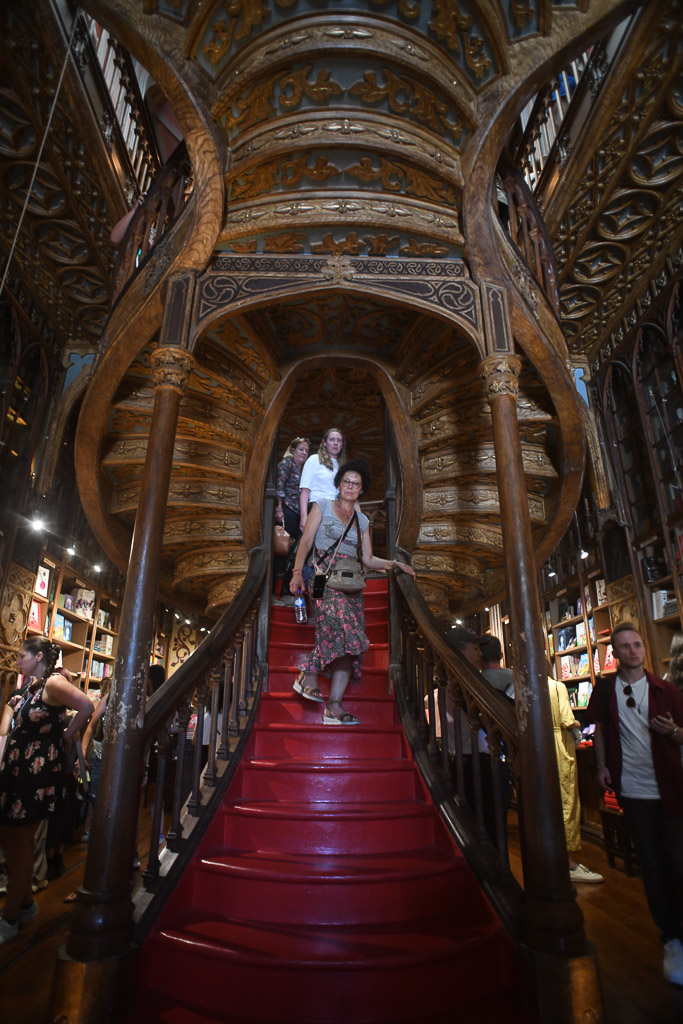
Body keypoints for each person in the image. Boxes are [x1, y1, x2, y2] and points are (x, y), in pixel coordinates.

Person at [588, 621, 683, 986]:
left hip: (672, 788)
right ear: (615, 654)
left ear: (644, 649)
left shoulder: (666, 690)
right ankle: (671, 937)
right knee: (653, 865)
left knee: (679, 860)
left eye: (637, 645)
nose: (632, 651)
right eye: (625, 646)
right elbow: (599, 729)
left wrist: (672, 731)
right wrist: (600, 766)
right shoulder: (606, 690)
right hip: (634, 789)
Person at [290, 459, 414, 724]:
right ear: (339, 484)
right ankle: (308, 674)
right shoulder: (321, 506)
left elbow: (368, 560)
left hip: (351, 582)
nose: (350, 486)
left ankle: (334, 706)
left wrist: (394, 564)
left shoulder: (363, 520)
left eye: (356, 483)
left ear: (361, 489)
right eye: (346, 481)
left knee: (351, 644)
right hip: (322, 578)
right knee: (339, 626)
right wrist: (298, 573)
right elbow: (306, 541)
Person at [0, 637, 92, 944]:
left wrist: (67, 735)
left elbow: (86, 705)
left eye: (22, 656)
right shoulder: (34, 686)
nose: (18, 661)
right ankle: (25, 903)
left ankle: (10, 918)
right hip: (20, 769)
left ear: (38, 657)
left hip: (34, 773)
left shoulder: (53, 683)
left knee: (22, 839)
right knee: (11, 836)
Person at [548, 675, 603, 884]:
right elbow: (566, 719)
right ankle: (570, 863)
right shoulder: (556, 686)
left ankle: (551, 859)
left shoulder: (519, 688)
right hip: (560, 747)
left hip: (537, 749)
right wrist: (579, 724)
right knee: (567, 803)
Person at [274, 436, 310, 599]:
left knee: (294, 551)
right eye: (301, 449)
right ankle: (276, 586)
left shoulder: (301, 470)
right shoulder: (286, 463)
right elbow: (279, 486)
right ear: (293, 450)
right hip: (286, 510)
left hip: (296, 513)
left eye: (306, 451)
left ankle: (286, 586)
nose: (304, 453)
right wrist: (279, 508)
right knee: (283, 550)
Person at [299, 428, 346, 532]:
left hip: (338, 510)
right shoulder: (314, 460)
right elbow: (305, 491)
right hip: (318, 507)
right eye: (332, 439)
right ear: (324, 443)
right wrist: (304, 517)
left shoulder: (343, 466)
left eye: (339, 440)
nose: (335, 443)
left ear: (342, 445)